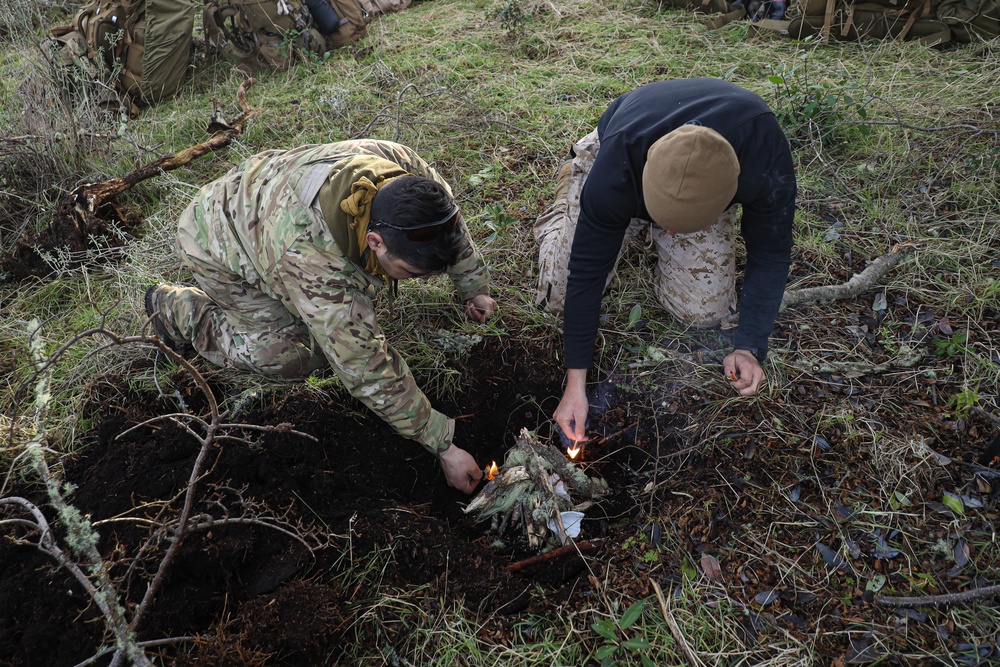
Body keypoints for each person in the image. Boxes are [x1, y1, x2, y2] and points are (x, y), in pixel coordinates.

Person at [145, 139, 497, 493]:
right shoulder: (315, 262)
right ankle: (179, 310)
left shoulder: (402, 170)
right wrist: (443, 445)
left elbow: (447, 224)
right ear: (375, 242)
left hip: (263, 196)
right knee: (294, 355)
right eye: (412, 271)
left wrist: (474, 287)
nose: (422, 280)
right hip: (217, 240)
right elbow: (364, 366)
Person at [534, 79, 797, 443]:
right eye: (664, 222)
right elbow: (586, 273)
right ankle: (568, 196)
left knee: (704, 311)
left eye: (676, 227)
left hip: (702, 182)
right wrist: (575, 384)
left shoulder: (765, 158)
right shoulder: (618, 165)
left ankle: (663, 221)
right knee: (557, 295)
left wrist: (749, 347)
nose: (671, 233)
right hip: (617, 151)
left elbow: (771, 252)